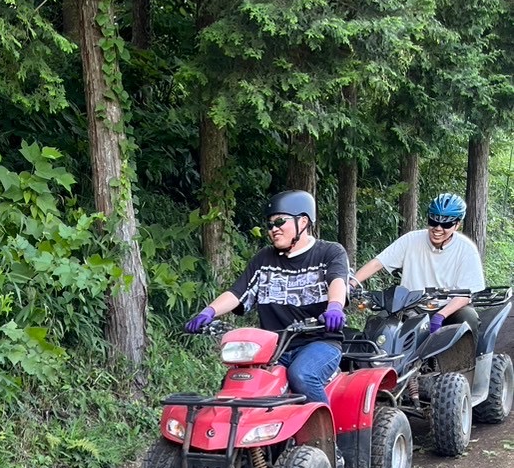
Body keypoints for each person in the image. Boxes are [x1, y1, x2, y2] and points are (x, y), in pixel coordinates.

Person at [184, 190, 350, 444]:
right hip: (274, 348)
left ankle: (327, 446)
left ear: (303, 221)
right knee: (239, 383)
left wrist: (335, 307)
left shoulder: (329, 252)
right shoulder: (264, 259)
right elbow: (237, 293)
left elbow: (337, 281)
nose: (273, 229)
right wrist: (209, 311)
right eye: (270, 224)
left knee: (302, 375)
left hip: (319, 342)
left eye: (280, 222)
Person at [350, 192, 484, 338]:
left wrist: (440, 315)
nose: (438, 228)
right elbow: (378, 263)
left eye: (446, 224)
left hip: (450, 307)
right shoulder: (411, 240)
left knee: (469, 319)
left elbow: (466, 294)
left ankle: (469, 354)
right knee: (378, 327)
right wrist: (352, 283)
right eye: (433, 222)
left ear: (457, 224)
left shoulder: (466, 249)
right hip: (410, 306)